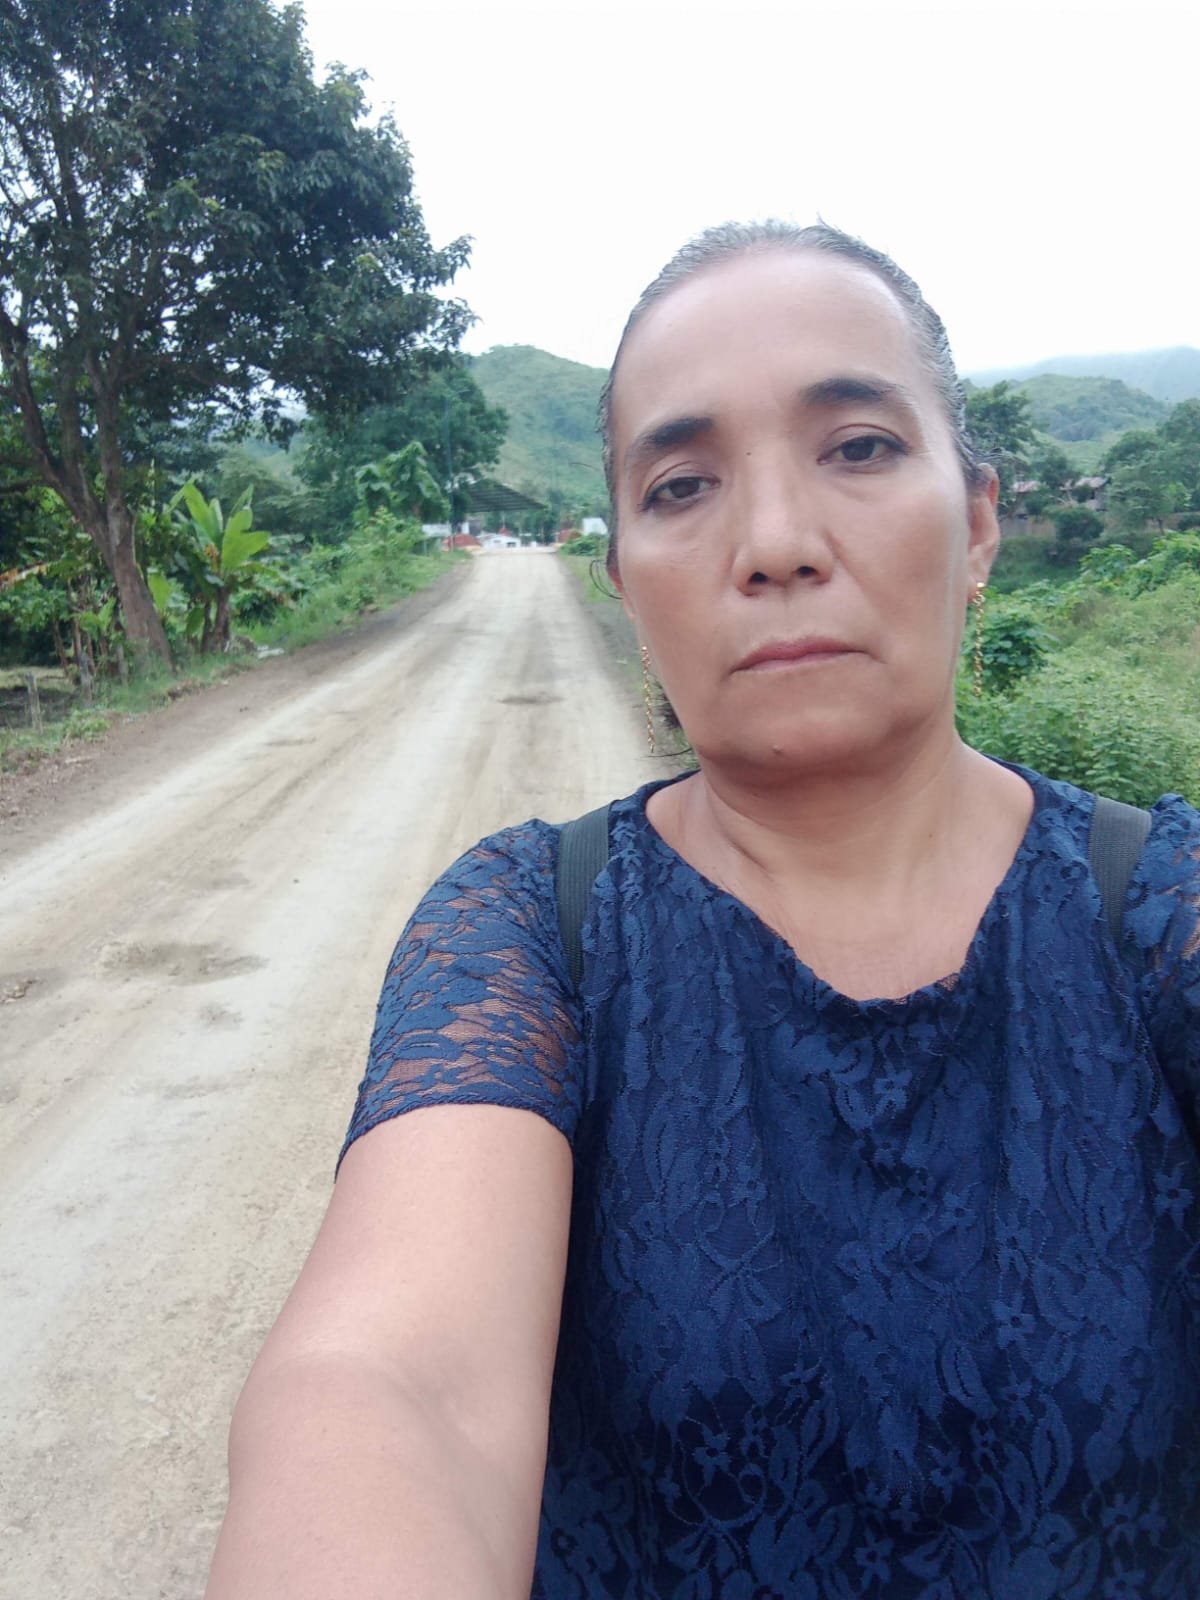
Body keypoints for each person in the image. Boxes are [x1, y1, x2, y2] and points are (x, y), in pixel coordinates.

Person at [205, 223, 1200, 1599]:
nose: (776, 544)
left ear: (978, 525)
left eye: (859, 448)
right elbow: (397, 1385)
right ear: (622, 580)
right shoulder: (533, 933)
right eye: (681, 486)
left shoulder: (1161, 913)